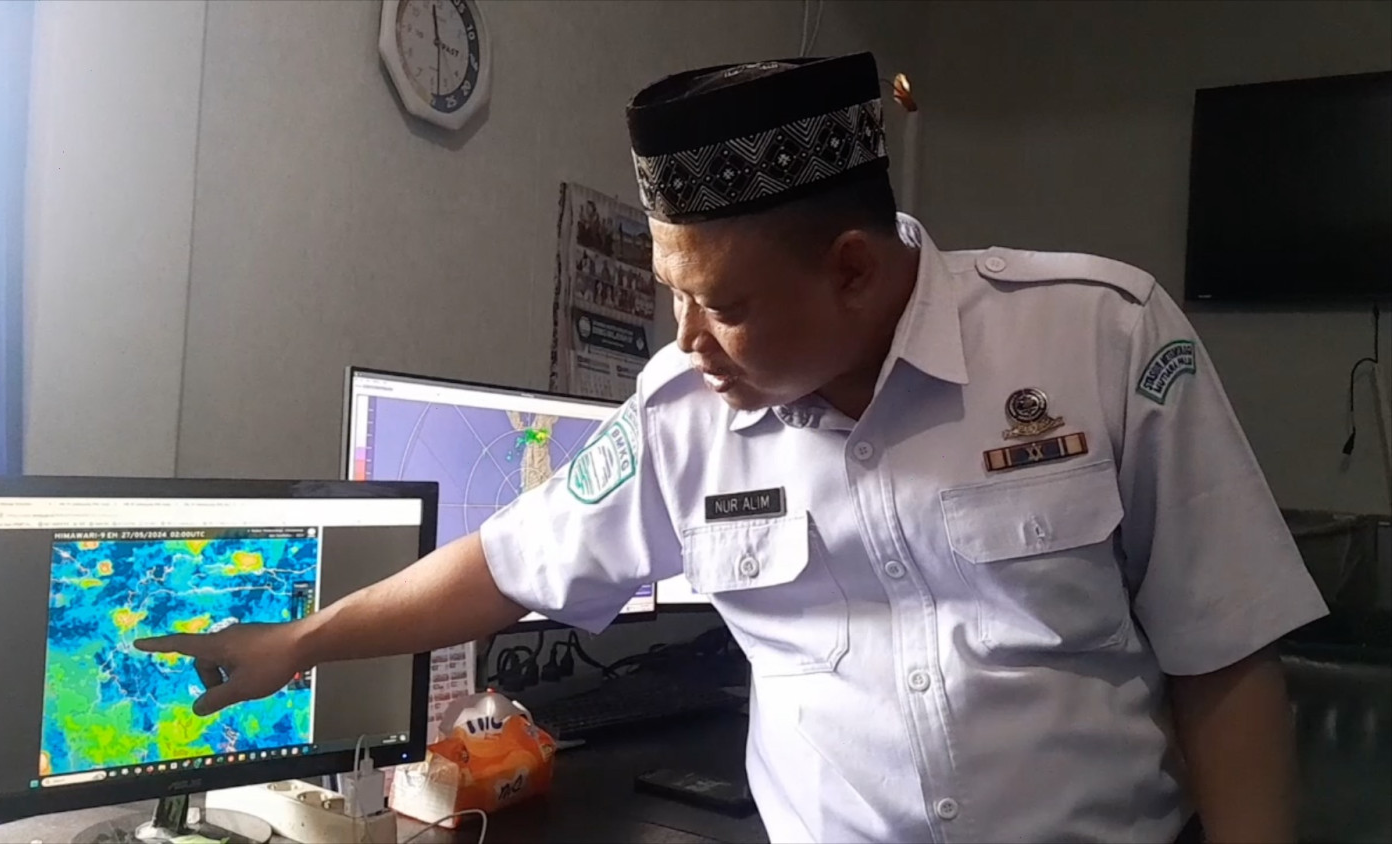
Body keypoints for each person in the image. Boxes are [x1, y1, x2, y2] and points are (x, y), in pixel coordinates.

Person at [138, 53, 1327, 844]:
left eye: (726, 305)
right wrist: (300, 642)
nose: (686, 341)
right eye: (673, 295)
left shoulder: (1099, 337)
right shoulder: (682, 414)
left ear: (852, 268)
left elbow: (1222, 658)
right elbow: (504, 562)